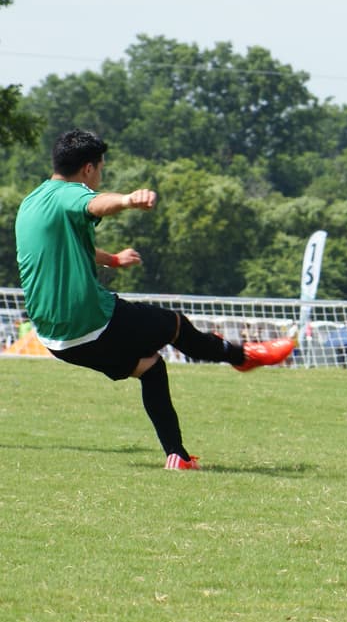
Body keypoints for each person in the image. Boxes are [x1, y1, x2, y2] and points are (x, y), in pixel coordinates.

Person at [14, 129, 295, 470]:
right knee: (174, 325)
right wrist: (128, 200)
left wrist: (112, 259)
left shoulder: (32, 202)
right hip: (89, 321)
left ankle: (178, 456)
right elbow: (94, 203)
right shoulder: (73, 194)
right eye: (100, 168)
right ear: (88, 168)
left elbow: (67, 247)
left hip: (56, 339)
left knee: (151, 368)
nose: (100, 176)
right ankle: (243, 356)